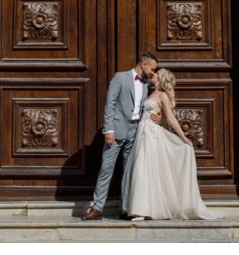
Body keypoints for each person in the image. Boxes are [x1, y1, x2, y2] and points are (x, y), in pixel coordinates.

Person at [122, 68, 221, 221]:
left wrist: (183, 137)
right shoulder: (149, 92)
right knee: (141, 169)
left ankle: (144, 211)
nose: (154, 74)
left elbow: (170, 118)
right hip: (142, 134)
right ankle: (141, 208)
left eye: (157, 73)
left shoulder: (162, 96)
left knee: (148, 169)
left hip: (152, 135)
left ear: (161, 78)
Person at [82, 51, 159, 221]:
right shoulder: (120, 78)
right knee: (106, 169)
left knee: (129, 171)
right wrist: (109, 129)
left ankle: (126, 208)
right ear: (143, 64)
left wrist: (158, 117)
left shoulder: (147, 84)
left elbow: (151, 104)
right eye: (152, 69)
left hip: (136, 131)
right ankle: (97, 208)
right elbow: (110, 103)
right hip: (117, 130)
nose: (153, 72)